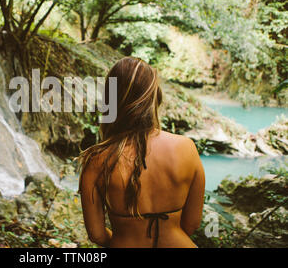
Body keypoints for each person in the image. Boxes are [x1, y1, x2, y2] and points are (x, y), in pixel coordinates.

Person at [77, 57, 205, 248]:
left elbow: (97, 234)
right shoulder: (186, 147)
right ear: (154, 97)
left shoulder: (97, 161)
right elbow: (192, 223)